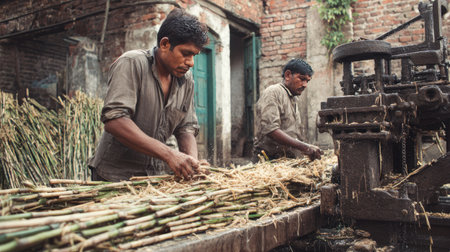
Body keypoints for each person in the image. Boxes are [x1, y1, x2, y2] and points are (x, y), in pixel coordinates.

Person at [88, 8, 209, 181]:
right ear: (165, 44)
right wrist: (169, 155)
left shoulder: (186, 81)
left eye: (194, 55)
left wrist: (192, 164)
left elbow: (186, 128)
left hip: (153, 178)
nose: (190, 62)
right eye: (185, 53)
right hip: (114, 177)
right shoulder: (132, 64)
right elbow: (115, 120)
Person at [253, 58, 323, 162]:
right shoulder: (273, 92)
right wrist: (304, 147)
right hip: (268, 160)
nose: (305, 85)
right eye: (302, 79)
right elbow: (271, 130)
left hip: (285, 161)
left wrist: (307, 148)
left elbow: (292, 133)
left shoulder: (293, 98)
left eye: (307, 81)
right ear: (288, 75)